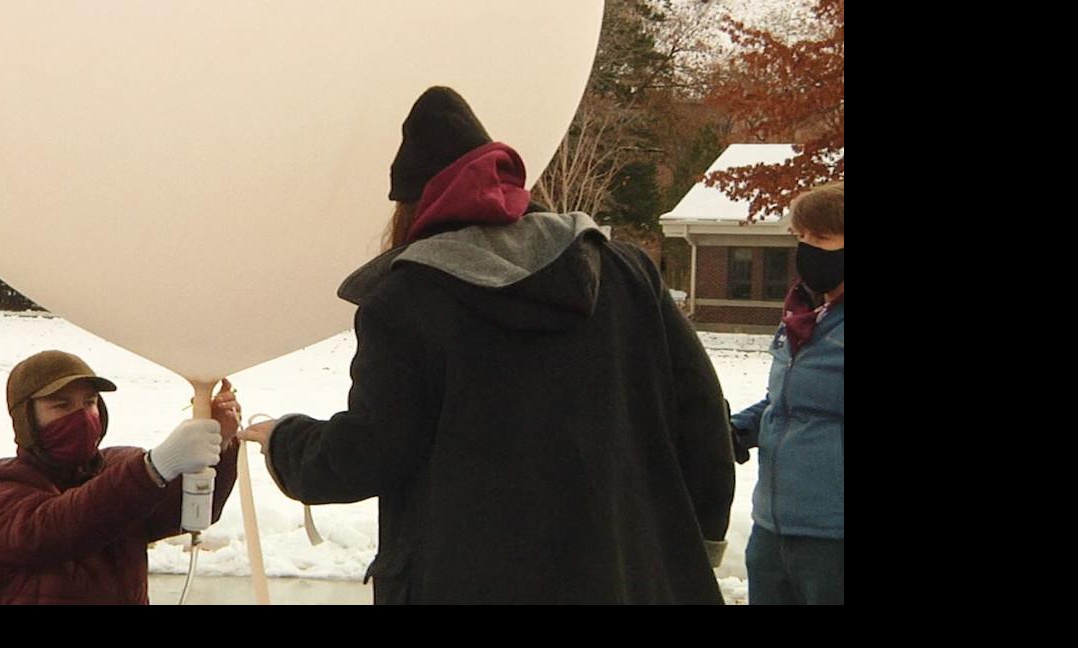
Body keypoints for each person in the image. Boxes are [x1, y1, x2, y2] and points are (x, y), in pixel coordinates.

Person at [240, 86, 735, 604]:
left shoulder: (407, 301)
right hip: (629, 577)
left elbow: (370, 451)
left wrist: (284, 440)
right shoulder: (625, 273)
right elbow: (703, 419)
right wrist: (693, 546)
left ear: (413, 207)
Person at [0, 350, 240, 604]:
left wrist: (220, 444)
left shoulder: (118, 468)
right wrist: (152, 469)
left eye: (89, 403)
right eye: (62, 405)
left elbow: (183, 513)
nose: (81, 416)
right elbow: (62, 526)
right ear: (26, 419)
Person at [731, 182, 844, 605]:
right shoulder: (805, 317)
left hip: (833, 539)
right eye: (801, 237)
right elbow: (786, 404)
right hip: (774, 529)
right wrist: (737, 429)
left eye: (822, 238)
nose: (808, 250)